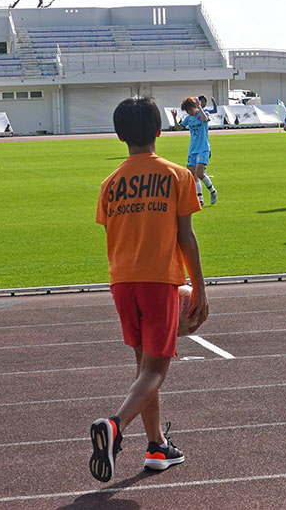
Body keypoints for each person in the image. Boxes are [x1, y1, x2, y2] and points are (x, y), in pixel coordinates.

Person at [90, 95, 208, 483]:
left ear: (119, 135)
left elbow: (113, 233)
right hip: (160, 280)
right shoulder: (178, 175)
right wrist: (200, 289)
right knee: (156, 369)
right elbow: (186, 237)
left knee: (144, 367)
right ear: (160, 130)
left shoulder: (109, 183)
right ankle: (115, 424)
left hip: (122, 281)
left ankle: (157, 446)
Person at [171, 97, 218, 207]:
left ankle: (212, 191)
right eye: (187, 111)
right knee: (194, 175)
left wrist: (199, 107)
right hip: (193, 149)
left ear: (194, 107)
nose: (189, 112)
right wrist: (174, 118)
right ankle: (200, 199)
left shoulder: (203, 113)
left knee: (200, 173)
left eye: (190, 110)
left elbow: (205, 119)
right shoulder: (188, 118)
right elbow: (178, 128)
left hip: (203, 148)